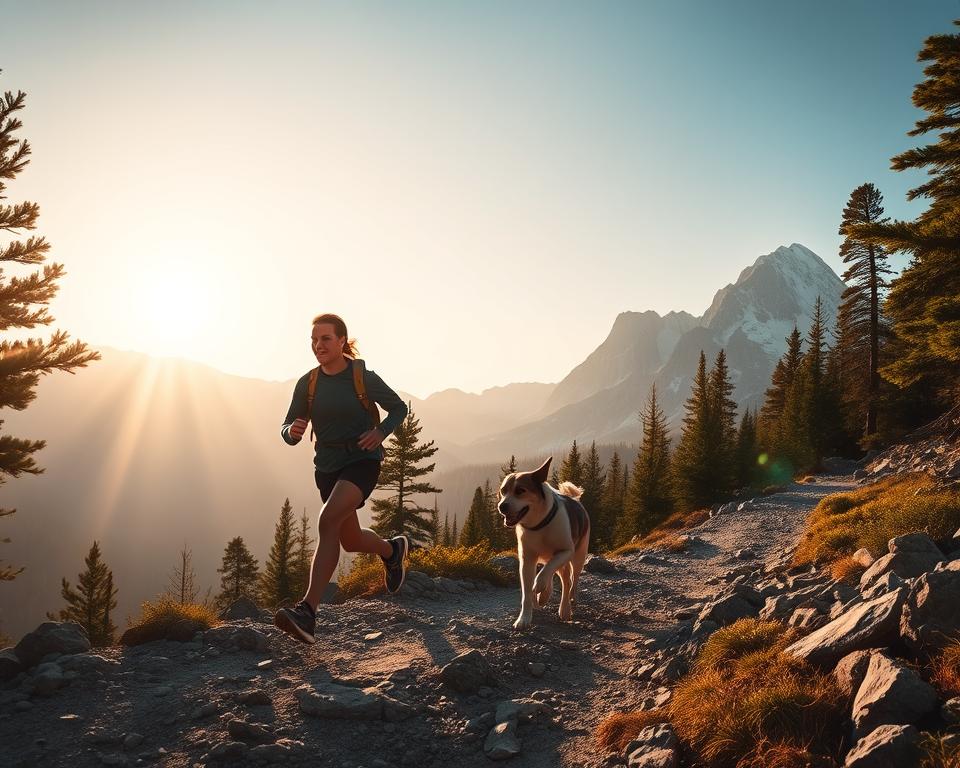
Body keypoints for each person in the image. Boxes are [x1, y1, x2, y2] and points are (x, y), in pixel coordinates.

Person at [274, 313, 409, 644]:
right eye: (314, 340)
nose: (318, 345)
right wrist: (291, 433)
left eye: (325, 339)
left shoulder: (362, 376)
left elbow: (398, 409)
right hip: (328, 466)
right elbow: (288, 425)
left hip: (362, 460)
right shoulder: (308, 383)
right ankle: (392, 551)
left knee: (327, 519)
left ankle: (307, 611)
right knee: (348, 539)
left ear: (341, 341)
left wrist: (380, 432)